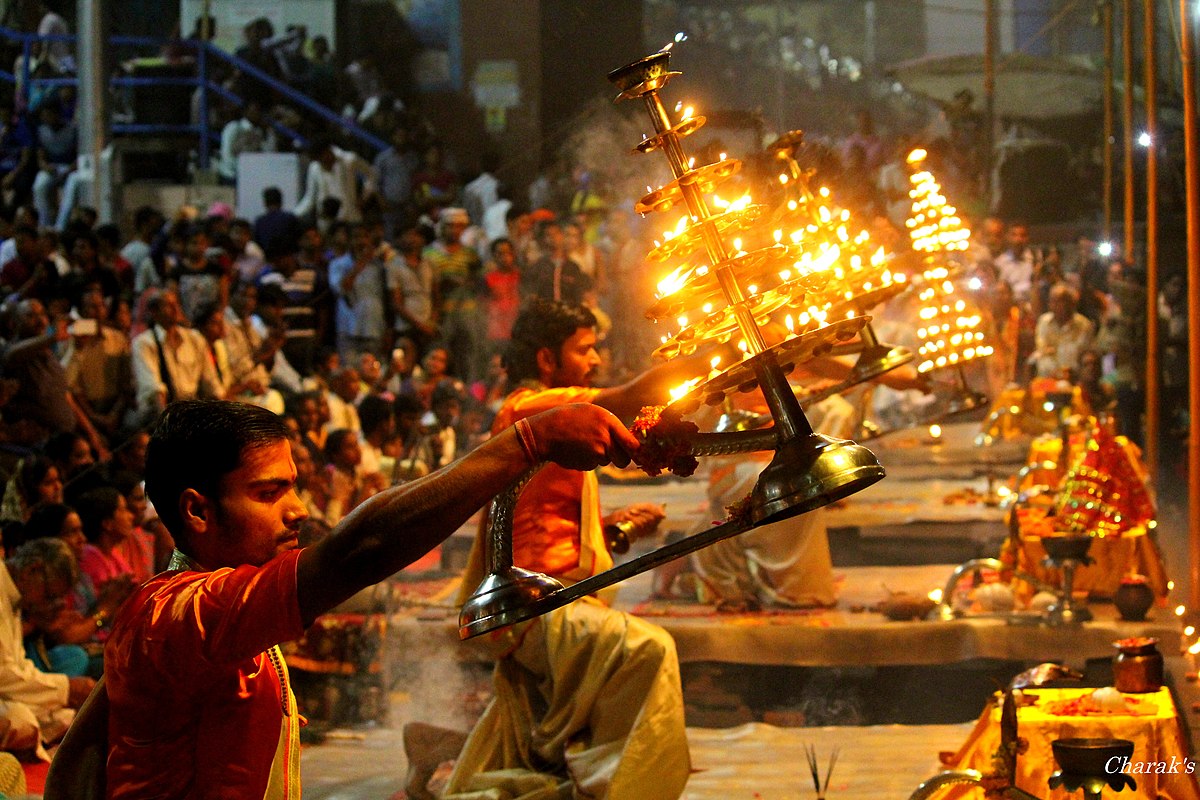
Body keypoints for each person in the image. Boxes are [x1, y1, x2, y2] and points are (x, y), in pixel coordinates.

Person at [100, 396, 636, 796]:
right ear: (197, 511)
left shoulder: (209, 601)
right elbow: (357, 550)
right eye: (268, 493)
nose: (298, 510)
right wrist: (528, 442)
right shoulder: (177, 613)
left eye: (293, 486)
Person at [441, 298, 711, 800]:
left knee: (544, 744)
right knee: (647, 652)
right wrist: (713, 353)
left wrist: (617, 529)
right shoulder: (534, 408)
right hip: (541, 609)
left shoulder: (544, 412)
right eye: (584, 350)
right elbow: (629, 397)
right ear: (547, 360)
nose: (593, 360)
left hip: (564, 597)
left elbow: (544, 521)